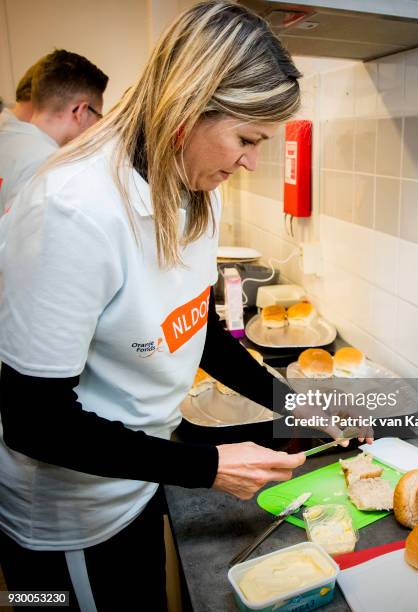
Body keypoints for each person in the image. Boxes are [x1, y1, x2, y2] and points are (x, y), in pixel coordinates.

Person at [0, 3, 311, 610]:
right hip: (69, 523)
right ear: (189, 108)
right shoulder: (74, 209)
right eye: (246, 139)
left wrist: (292, 403)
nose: (250, 160)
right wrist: (208, 466)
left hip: (138, 480)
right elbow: (35, 420)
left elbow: (196, 325)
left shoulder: (196, 186)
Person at [0, 49, 108, 211]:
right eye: (98, 115)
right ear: (80, 111)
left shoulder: (8, 139)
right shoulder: (50, 165)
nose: (96, 125)